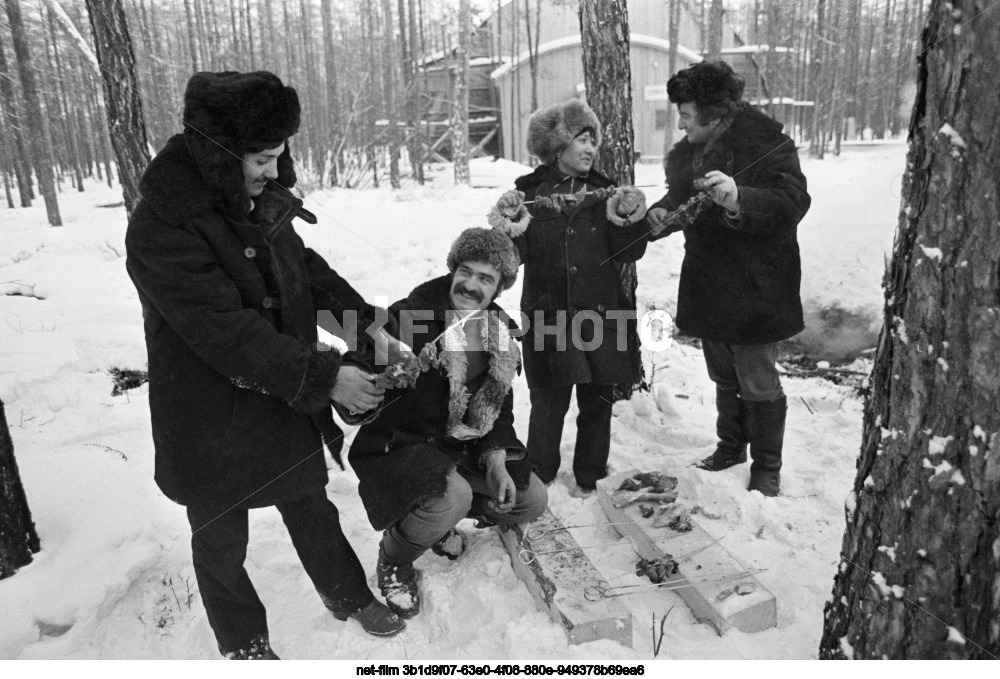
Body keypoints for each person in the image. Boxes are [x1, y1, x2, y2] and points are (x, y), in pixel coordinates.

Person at [125, 71, 407, 658]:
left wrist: (366, 329)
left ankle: (347, 595)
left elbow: (305, 271)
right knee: (221, 540)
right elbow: (224, 330)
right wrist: (327, 376)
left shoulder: (256, 197)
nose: (274, 171)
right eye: (261, 158)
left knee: (309, 504)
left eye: (280, 156)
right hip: (208, 416)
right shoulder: (163, 223)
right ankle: (244, 643)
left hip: (279, 392)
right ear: (220, 154)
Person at [347, 227, 548, 619]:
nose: (470, 284)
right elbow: (361, 361)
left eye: (485, 278)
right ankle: (395, 558)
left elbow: (498, 410)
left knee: (531, 499)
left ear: (499, 288)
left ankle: (438, 523)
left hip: (461, 446)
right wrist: (365, 378)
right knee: (450, 495)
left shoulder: (498, 333)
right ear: (453, 268)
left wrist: (495, 460)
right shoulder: (410, 314)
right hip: (401, 445)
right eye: (465, 271)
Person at [645, 61, 811, 497]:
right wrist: (662, 211)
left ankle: (767, 467)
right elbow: (681, 197)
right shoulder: (691, 153)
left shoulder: (767, 144)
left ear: (714, 114)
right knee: (723, 376)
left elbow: (792, 201)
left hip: (758, 285)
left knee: (758, 380)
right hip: (709, 282)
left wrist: (739, 198)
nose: (680, 124)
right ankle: (731, 447)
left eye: (685, 115)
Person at [489, 99, 650, 492]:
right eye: (581, 139)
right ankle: (538, 472)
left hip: (601, 312)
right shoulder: (528, 195)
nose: (590, 148)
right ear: (557, 145)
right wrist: (508, 223)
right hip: (549, 314)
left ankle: (591, 474)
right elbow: (512, 257)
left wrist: (629, 219)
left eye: (593, 140)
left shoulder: (605, 192)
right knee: (549, 400)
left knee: (598, 400)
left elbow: (628, 252)